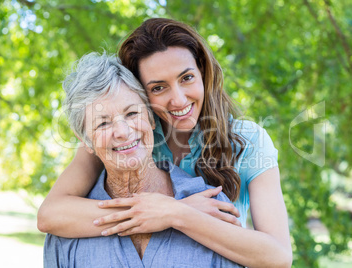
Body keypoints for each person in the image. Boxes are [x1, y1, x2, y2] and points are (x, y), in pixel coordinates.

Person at [38, 18, 292, 267]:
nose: (179, 100)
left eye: (187, 78)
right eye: (159, 88)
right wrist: (153, 213)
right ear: (141, 93)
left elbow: (278, 256)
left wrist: (175, 213)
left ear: (202, 73)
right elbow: (51, 214)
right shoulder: (130, 136)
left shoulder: (248, 141)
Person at [44, 51, 242, 267]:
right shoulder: (65, 228)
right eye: (103, 124)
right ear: (85, 141)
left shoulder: (210, 207)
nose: (122, 131)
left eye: (132, 114)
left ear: (151, 118)